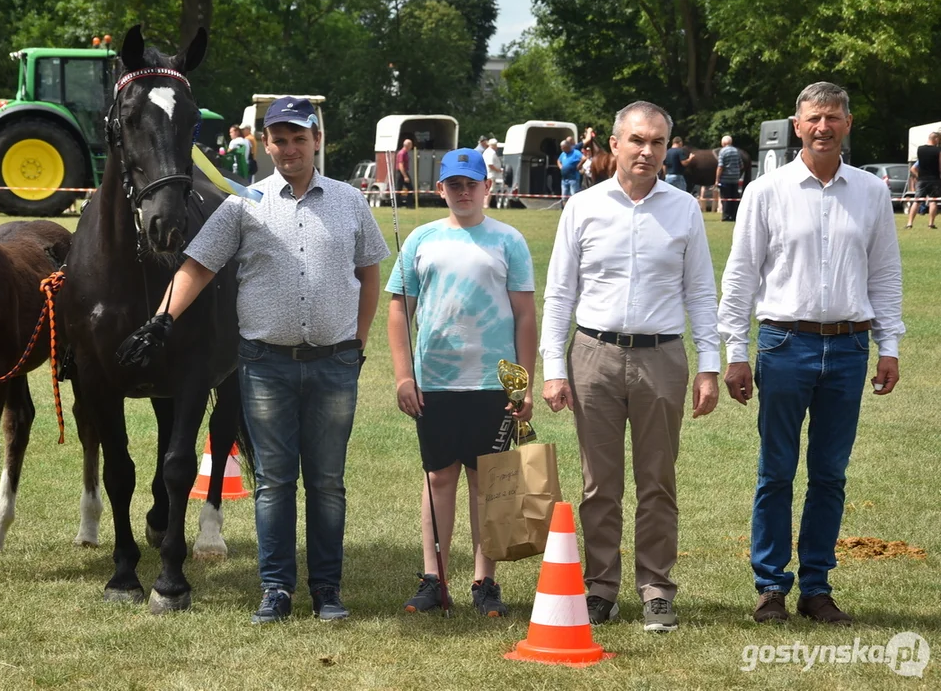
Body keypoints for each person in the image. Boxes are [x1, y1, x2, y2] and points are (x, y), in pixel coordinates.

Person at [118, 96, 390, 623]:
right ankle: (277, 589)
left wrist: (357, 342)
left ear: (316, 140)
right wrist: (162, 319)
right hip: (265, 364)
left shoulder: (350, 201)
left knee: (328, 482)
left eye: (298, 138)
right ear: (266, 145)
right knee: (274, 481)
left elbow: (370, 272)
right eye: (279, 139)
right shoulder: (245, 202)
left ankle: (328, 589)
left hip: (335, 363)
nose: (289, 148)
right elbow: (196, 266)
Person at [718, 82, 904, 626]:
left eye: (833, 117)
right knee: (776, 471)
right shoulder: (766, 190)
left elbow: (885, 274)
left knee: (829, 474)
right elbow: (741, 275)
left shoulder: (871, 192)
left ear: (848, 124)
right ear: (797, 126)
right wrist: (736, 351)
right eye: (813, 118)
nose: (823, 127)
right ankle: (771, 587)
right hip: (783, 343)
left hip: (848, 347)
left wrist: (886, 345)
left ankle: (816, 588)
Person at [540, 101, 720, 633]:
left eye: (657, 142)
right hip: (593, 355)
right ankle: (599, 588)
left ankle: (657, 590)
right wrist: (553, 367)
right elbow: (559, 293)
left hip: (662, 356)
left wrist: (709, 366)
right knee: (599, 484)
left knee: (657, 482)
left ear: (668, 149)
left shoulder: (684, 208)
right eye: (637, 140)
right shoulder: (584, 207)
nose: (647, 151)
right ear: (614, 145)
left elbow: (701, 294)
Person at [387, 148, 537, 618]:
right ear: (441, 189)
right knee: (439, 477)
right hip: (435, 382)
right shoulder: (420, 240)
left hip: (493, 384)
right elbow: (398, 309)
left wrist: (524, 386)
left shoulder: (508, 240)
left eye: (472, 184)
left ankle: (484, 581)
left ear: (487, 187)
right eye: (454, 184)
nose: (464, 192)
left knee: (487, 483)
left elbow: (525, 314)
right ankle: (434, 578)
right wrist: (403, 375)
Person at [905, 131, 940, 229]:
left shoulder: (920, 150)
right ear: (936, 139)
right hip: (934, 179)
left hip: (922, 180)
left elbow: (914, 168)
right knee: (933, 201)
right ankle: (931, 224)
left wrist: (918, 176)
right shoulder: (938, 151)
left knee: (917, 201)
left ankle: (909, 223)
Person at [716, 135, 742, 221]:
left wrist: (717, 179)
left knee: (725, 198)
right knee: (734, 197)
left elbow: (720, 167)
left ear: (723, 143)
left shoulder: (722, 152)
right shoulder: (737, 151)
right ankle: (734, 216)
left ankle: (726, 216)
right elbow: (741, 165)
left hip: (725, 179)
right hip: (735, 178)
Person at [482, 138, 502, 209]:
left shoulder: (486, 151)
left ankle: (484, 204)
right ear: (493, 145)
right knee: (490, 189)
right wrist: (498, 170)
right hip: (491, 174)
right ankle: (486, 204)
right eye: (496, 145)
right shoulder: (491, 153)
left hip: (487, 173)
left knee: (487, 189)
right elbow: (490, 164)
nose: (497, 147)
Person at [396, 139, 414, 208]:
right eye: (411, 145)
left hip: (404, 172)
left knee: (410, 189)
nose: (411, 146)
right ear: (407, 145)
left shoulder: (406, 153)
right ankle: (397, 205)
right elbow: (401, 165)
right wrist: (405, 176)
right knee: (398, 189)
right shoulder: (402, 153)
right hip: (401, 172)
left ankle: (409, 205)